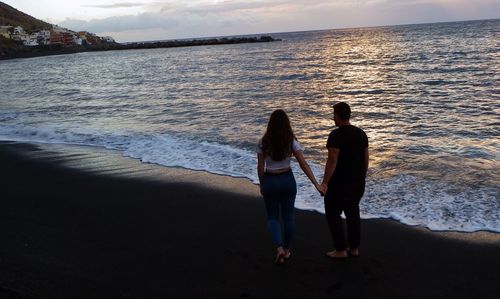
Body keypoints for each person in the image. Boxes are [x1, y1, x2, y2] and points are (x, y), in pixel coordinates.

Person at [257, 109, 324, 264]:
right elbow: (303, 163)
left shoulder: (263, 142)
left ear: (270, 124)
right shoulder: (291, 141)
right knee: (288, 218)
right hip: (287, 180)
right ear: (287, 123)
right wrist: (316, 184)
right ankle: (287, 251)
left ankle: (279, 248)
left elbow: (260, 167)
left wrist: (262, 184)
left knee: (273, 217)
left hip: (271, 180)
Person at [320, 102, 369, 258]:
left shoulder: (335, 135)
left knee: (332, 213)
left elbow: (332, 160)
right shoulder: (361, 134)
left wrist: (325, 182)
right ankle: (354, 248)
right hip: (357, 182)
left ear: (337, 116)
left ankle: (340, 249)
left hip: (339, 183)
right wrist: (362, 176)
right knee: (353, 212)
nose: (333, 118)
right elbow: (366, 159)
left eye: (334, 115)